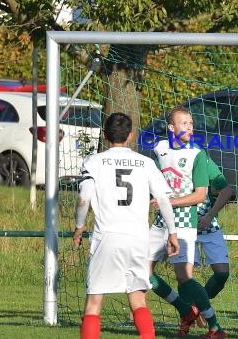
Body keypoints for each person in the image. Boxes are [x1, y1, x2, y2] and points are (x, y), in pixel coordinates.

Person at [72, 112, 180, 339]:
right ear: (131, 136)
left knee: (94, 303)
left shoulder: (94, 162)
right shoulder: (146, 163)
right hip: (138, 240)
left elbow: (84, 196)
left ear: (104, 135)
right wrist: (172, 232)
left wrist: (80, 225)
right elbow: (162, 199)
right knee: (138, 299)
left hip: (107, 238)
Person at [152, 106, 226, 339]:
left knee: (184, 278)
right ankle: (185, 310)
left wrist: (170, 202)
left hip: (184, 223)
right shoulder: (159, 149)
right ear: (171, 128)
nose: (190, 127)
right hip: (159, 222)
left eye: (191, 123)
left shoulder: (197, 154)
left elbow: (200, 195)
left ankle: (214, 327)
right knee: (141, 272)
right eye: (184, 123)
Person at [148, 154, 233, 334]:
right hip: (182, 223)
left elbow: (226, 190)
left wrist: (210, 216)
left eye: (190, 124)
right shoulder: (163, 158)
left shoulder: (202, 159)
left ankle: (194, 307)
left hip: (207, 224)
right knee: (184, 275)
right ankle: (186, 318)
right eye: (184, 123)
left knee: (222, 273)